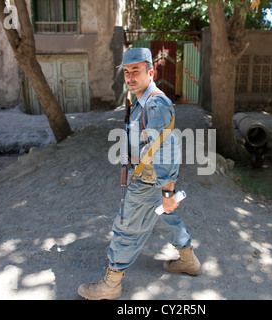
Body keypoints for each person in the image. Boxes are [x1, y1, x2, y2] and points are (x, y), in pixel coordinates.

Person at [77, 48, 201, 300]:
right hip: (151, 177)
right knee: (164, 217)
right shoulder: (140, 100)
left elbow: (164, 151)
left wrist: (168, 192)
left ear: (151, 72)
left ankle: (111, 284)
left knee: (127, 225)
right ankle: (189, 260)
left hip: (148, 179)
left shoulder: (155, 104)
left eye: (136, 71)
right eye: (126, 72)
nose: (130, 77)